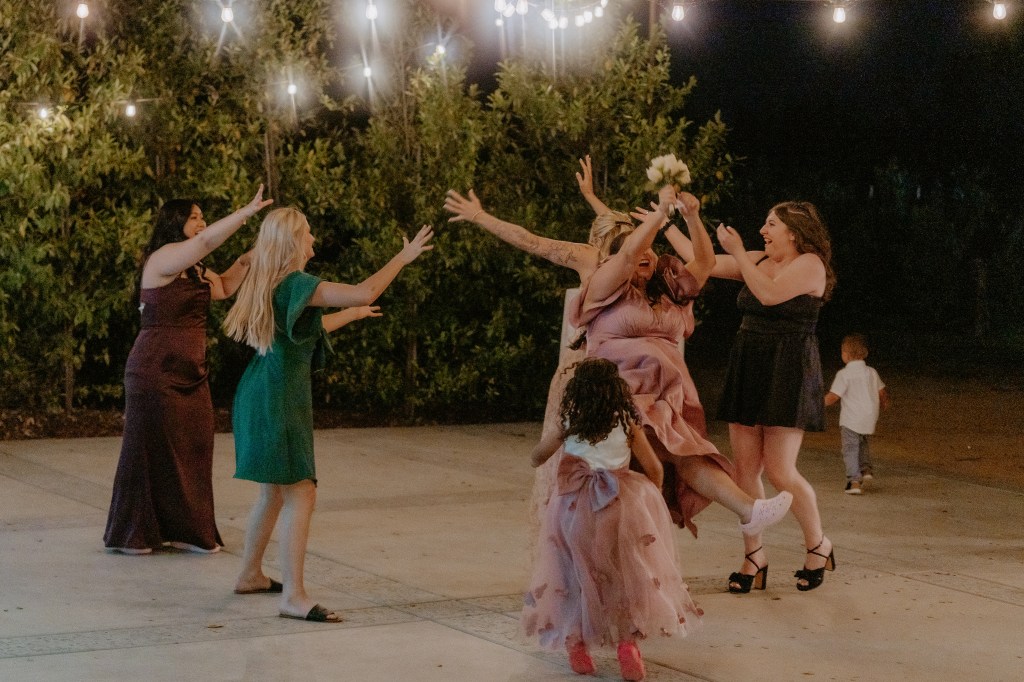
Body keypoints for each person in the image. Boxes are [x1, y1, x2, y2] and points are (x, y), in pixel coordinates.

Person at [223, 207, 433, 622]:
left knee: (273, 491)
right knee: (301, 491)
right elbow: (364, 291)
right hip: (280, 398)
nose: (313, 239)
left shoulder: (271, 281)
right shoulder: (298, 283)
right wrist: (402, 258)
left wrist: (351, 316)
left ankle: (250, 574)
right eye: (308, 233)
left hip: (259, 391)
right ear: (292, 242)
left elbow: (301, 335)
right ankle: (294, 596)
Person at [568, 185, 793, 541]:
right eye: (639, 246)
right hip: (620, 394)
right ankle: (739, 511)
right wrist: (659, 213)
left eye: (651, 247)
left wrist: (691, 217)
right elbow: (626, 250)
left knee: (683, 456)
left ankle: (747, 511)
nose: (646, 252)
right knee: (659, 460)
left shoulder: (666, 288)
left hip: (664, 395)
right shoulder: (605, 285)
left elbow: (705, 263)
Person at [104, 186, 273, 555]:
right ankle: (134, 534)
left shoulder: (195, 269)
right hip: (155, 368)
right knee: (148, 449)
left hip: (190, 370)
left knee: (194, 447)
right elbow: (207, 242)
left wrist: (252, 256)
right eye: (194, 217)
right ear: (175, 222)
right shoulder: (162, 258)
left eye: (202, 217)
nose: (202, 223)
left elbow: (224, 286)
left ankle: (188, 531)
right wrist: (246, 212)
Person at [522, 358, 703, 682]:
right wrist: (647, 497)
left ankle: (577, 645)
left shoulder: (569, 420)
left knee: (575, 576)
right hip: (620, 507)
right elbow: (654, 468)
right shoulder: (626, 422)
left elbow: (537, 457)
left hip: (572, 510)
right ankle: (627, 646)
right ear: (616, 389)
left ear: (577, 391)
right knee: (623, 577)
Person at [706, 200, 837, 592]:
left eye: (771, 223)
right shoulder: (758, 259)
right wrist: (680, 217)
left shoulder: (810, 264)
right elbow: (704, 262)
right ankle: (754, 557)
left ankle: (818, 545)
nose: (763, 230)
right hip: (750, 364)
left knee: (780, 471)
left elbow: (768, 294)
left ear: (793, 232)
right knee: (745, 470)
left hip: (788, 369)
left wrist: (737, 254)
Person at [825, 333, 890, 494]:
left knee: (850, 448)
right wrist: (885, 402)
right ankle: (866, 469)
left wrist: (816, 405)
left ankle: (854, 481)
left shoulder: (844, 374)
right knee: (862, 443)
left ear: (845, 355)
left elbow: (834, 396)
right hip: (869, 417)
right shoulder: (871, 372)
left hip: (851, 419)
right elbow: (882, 392)